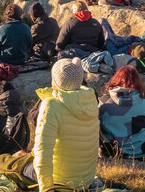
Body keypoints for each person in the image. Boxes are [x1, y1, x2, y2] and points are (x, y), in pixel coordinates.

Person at [33, 58, 98, 191]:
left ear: (56, 81)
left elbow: (43, 152)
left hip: (60, 182)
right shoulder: (89, 99)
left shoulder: (51, 105)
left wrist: (47, 188)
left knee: (11, 164)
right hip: (86, 180)